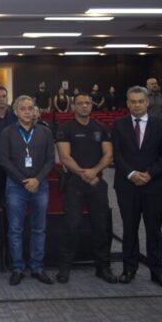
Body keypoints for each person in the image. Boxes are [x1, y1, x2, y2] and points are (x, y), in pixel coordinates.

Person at [111, 86, 162, 290]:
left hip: (153, 186)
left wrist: (149, 174)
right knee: (129, 229)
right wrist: (131, 174)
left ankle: (157, 271)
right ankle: (129, 269)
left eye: (140, 101)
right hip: (127, 185)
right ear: (127, 104)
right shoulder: (119, 125)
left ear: (147, 102)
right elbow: (116, 154)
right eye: (133, 101)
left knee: (154, 229)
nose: (137, 105)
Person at [55, 93, 117, 284]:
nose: (84, 106)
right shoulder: (65, 128)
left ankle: (103, 267)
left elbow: (108, 155)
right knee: (71, 226)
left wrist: (94, 172)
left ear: (91, 106)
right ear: (73, 107)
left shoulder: (101, 127)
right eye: (80, 103)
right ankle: (64, 267)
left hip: (97, 182)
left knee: (101, 226)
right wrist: (84, 174)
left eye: (87, 103)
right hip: (74, 183)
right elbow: (65, 157)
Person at [0, 95, 55, 286]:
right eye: (23, 108)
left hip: (40, 185)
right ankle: (17, 268)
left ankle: (37, 267)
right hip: (16, 186)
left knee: (39, 228)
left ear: (35, 111)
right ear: (15, 112)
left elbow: (50, 159)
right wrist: (24, 181)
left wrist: (37, 179)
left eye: (30, 108)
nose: (27, 112)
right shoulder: (7, 132)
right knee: (15, 229)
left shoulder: (45, 132)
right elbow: (4, 160)